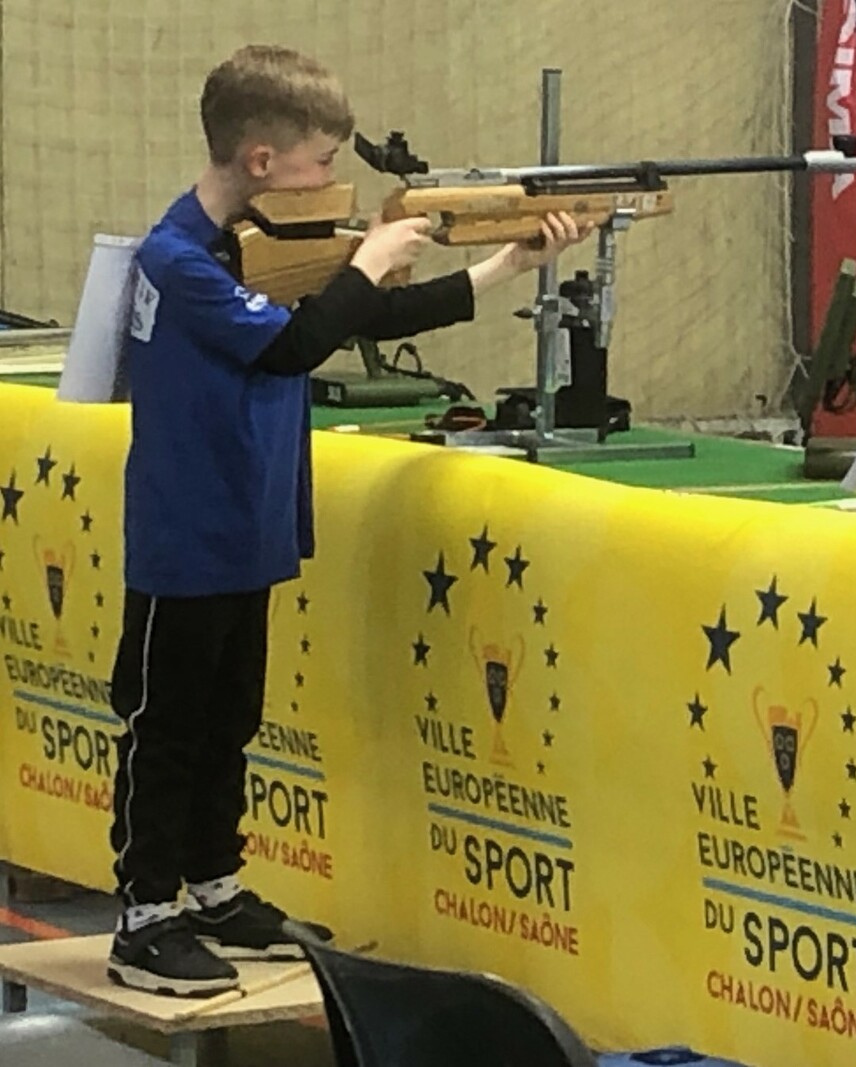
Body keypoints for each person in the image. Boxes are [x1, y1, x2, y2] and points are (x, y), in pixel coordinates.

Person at [107, 44, 593, 997]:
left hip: (247, 530)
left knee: (231, 718)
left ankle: (214, 886)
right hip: (186, 538)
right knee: (167, 728)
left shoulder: (258, 243)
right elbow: (297, 345)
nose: (331, 180)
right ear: (261, 161)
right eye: (321, 163)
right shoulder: (180, 258)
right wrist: (367, 262)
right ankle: (144, 915)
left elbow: (360, 319)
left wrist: (504, 263)